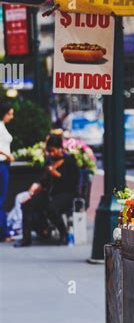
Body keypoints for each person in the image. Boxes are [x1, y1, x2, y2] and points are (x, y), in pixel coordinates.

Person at [15, 134, 79, 247]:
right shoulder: (49, 161)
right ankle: (26, 238)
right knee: (27, 204)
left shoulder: (70, 161)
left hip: (66, 194)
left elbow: (72, 183)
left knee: (51, 208)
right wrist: (34, 189)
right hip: (50, 193)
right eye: (48, 151)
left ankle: (63, 233)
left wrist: (57, 174)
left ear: (60, 148)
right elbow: (43, 180)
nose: (51, 153)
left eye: (52, 150)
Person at [0, 100, 15, 242]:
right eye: (9, 114)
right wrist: (7, 155)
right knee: (1, 198)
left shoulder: (2, 126)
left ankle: (3, 231)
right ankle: (3, 232)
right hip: (1, 164)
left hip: (4, 164)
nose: (11, 117)